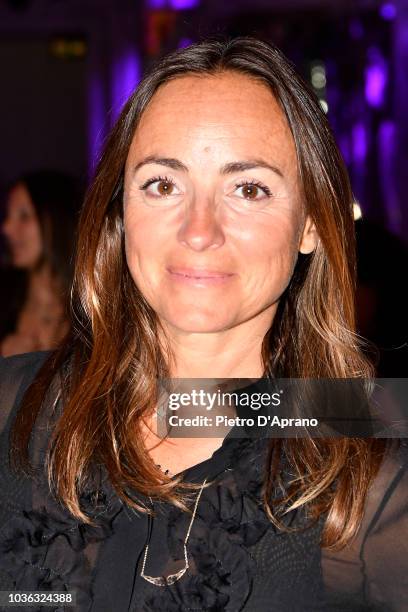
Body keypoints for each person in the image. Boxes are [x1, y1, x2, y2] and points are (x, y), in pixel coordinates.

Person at [0, 37, 407, 612]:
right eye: (162, 184)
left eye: (248, 189)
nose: (198, 230)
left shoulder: (372, 469)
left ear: (311, 224)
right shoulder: (14, 407)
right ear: (120, 215)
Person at [0, 170, 79, 356]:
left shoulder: (92, 310)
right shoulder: (4, 298)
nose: (6, 228)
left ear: (56, 222)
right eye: (8, 216)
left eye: (24, 216)